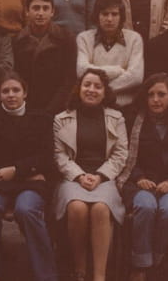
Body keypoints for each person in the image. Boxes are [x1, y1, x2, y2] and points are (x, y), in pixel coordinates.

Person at [116, 73, 168, 281]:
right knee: (146, 206)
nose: (155, 99)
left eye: (161, 94)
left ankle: (157, 257)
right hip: (138, 182)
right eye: (150, 94)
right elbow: (124, 156)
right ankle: (141, 265)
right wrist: (139, 178)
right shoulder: (133, 122)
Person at [0, 72, 57, 281]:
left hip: (30, 184)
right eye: (6, 91)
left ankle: (46, 274)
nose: (11, 95)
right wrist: (25, 172)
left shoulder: (41, 119)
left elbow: (47, 157)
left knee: (26, 208)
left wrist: (18, 170)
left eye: (16, 90)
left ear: (25, 93)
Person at [52, 68, 128, 281]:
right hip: (73, 177)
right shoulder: (61, 119)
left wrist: (100, 176)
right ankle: (80, 270)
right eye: (87, 85)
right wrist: (79, 176)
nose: (91, 90)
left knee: (101, 209)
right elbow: (59, 156)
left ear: (105, 92)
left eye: (97, 86)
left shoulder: (117, 118)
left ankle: (99, 276)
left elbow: (121, 153)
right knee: (77, 208)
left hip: (104, 178)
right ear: (79, 89)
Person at [76, 0, 144, 113]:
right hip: (93, 107)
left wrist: (99, 89)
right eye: (105, 14)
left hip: (124, 107)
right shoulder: (84, 38)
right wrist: (117, 71)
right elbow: (82, 70)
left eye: (114, 14)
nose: (109, 19)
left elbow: (136, 76)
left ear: (121, 16)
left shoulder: (134, 39)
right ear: (97, 15)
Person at [13, 0, 77, 114]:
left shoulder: (66, 38)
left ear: (52, 12)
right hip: (27, 107)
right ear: (27, 11)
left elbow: (69, 78)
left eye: (45, 8)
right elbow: (16, 77)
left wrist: (52, 109)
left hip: (58, 107)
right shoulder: (17, 41)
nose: (40, 13)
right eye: (36, 8)